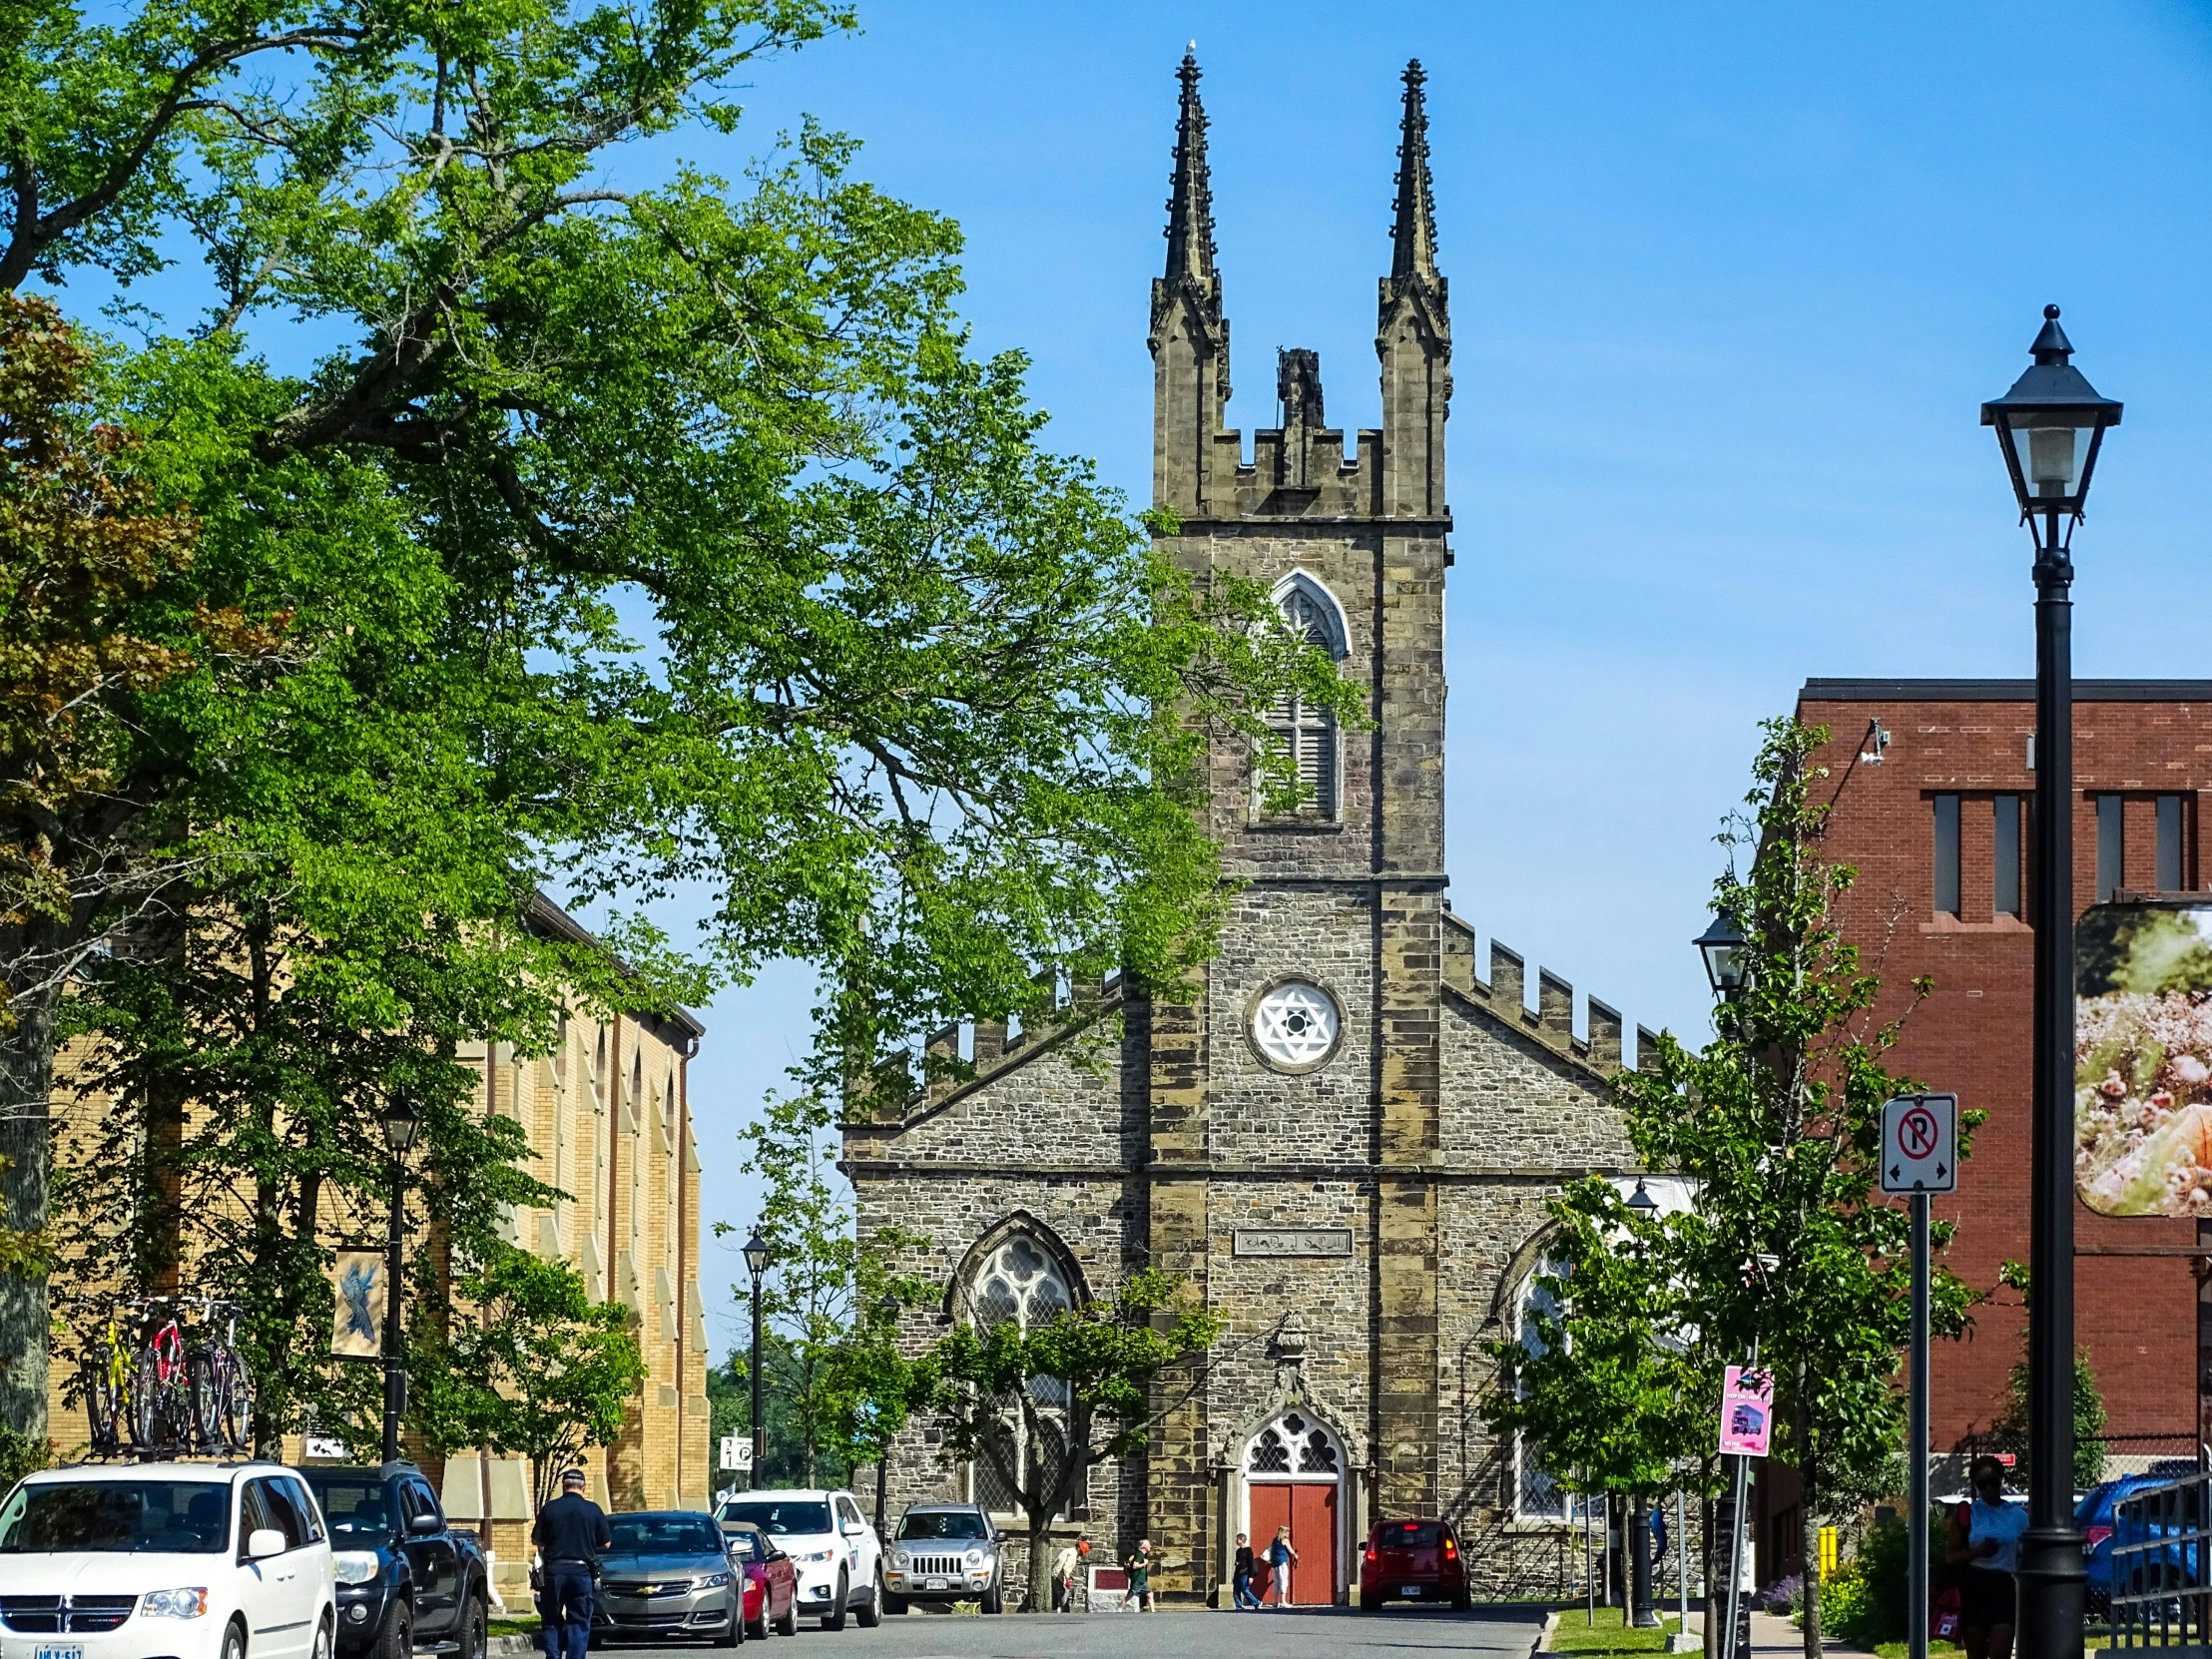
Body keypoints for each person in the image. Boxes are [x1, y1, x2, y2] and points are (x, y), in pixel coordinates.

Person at [1949, 1454, 2025, 1659]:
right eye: (1982, 1485)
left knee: (2000, 1652)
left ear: (2001, 1480)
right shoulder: (1968, 1514)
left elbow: (2029, 1550)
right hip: (1974, 1583)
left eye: (1993, 1482)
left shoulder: (2017, 1516)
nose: (1989, 1489)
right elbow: (1951, 1556)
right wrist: (1978, 1551)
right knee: (1977, 1654)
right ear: (1975, 1486)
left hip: (2003, 1584)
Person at [532, 1467, 611, 1659]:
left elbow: (536, 1540)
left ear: (563, 1486)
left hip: (554, 1571)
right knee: (579, 1621)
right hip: (581, 1571)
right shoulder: (593, 1510)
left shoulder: (550, 1508)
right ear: (583, 1487)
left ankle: (553, 1656)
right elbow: (606, 1543)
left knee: (551, 1619)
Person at [1268, 1525, 1299, 1609]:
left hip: (1274, 1563)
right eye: (1287, 1532)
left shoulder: (1274, 1540)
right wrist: (1296, 1556)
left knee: (1276, 1582)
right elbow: (1291, 1551)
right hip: (1281, 1562)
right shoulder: (1285, 1540)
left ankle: (1275, 1601)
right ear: (1284, 1533)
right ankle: (1283, 1601)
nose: (1288, 1533)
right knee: (1283, 1581)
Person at [1232, 1531, 1262, 1610]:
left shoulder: (1248, 1550)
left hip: (1245, 1572)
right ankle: (1238, 1606)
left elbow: (1251, 1563)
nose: (1236, 1541)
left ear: (1241, 1540)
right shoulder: (1238, 1551)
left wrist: (1251, 1576)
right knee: (1236, 1590)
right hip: (1238, 1572)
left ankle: (1256, 1602)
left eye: (1238, 1539)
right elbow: (1238, 1561)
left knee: (1245, 1589)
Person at [1125, 1538, 1155, 1612]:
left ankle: (1153, 1611)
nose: (1150, 1546)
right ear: (1144, 1546)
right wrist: (1144, 1563)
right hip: (1138, 1579)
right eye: (1148, 1545)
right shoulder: (1140, 1555)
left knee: (1150, 1594)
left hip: (1141, 1580)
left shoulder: (1141, 1554)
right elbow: (1135, 1566)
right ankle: (1120, 1608)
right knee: (1130, 1595)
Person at [1051, 1536, 1079, 1612]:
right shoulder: (1073, 1554)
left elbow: (1061, 1563)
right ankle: (1065, 1612)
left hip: (1054, 1574)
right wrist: (1067, 1580)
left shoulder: (1068, 1551)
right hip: (1058, 1577)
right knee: (1063, 1595)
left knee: (1055, 1596)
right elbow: (1066, 1568)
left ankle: (1054, 1610)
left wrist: (1070, 1576)